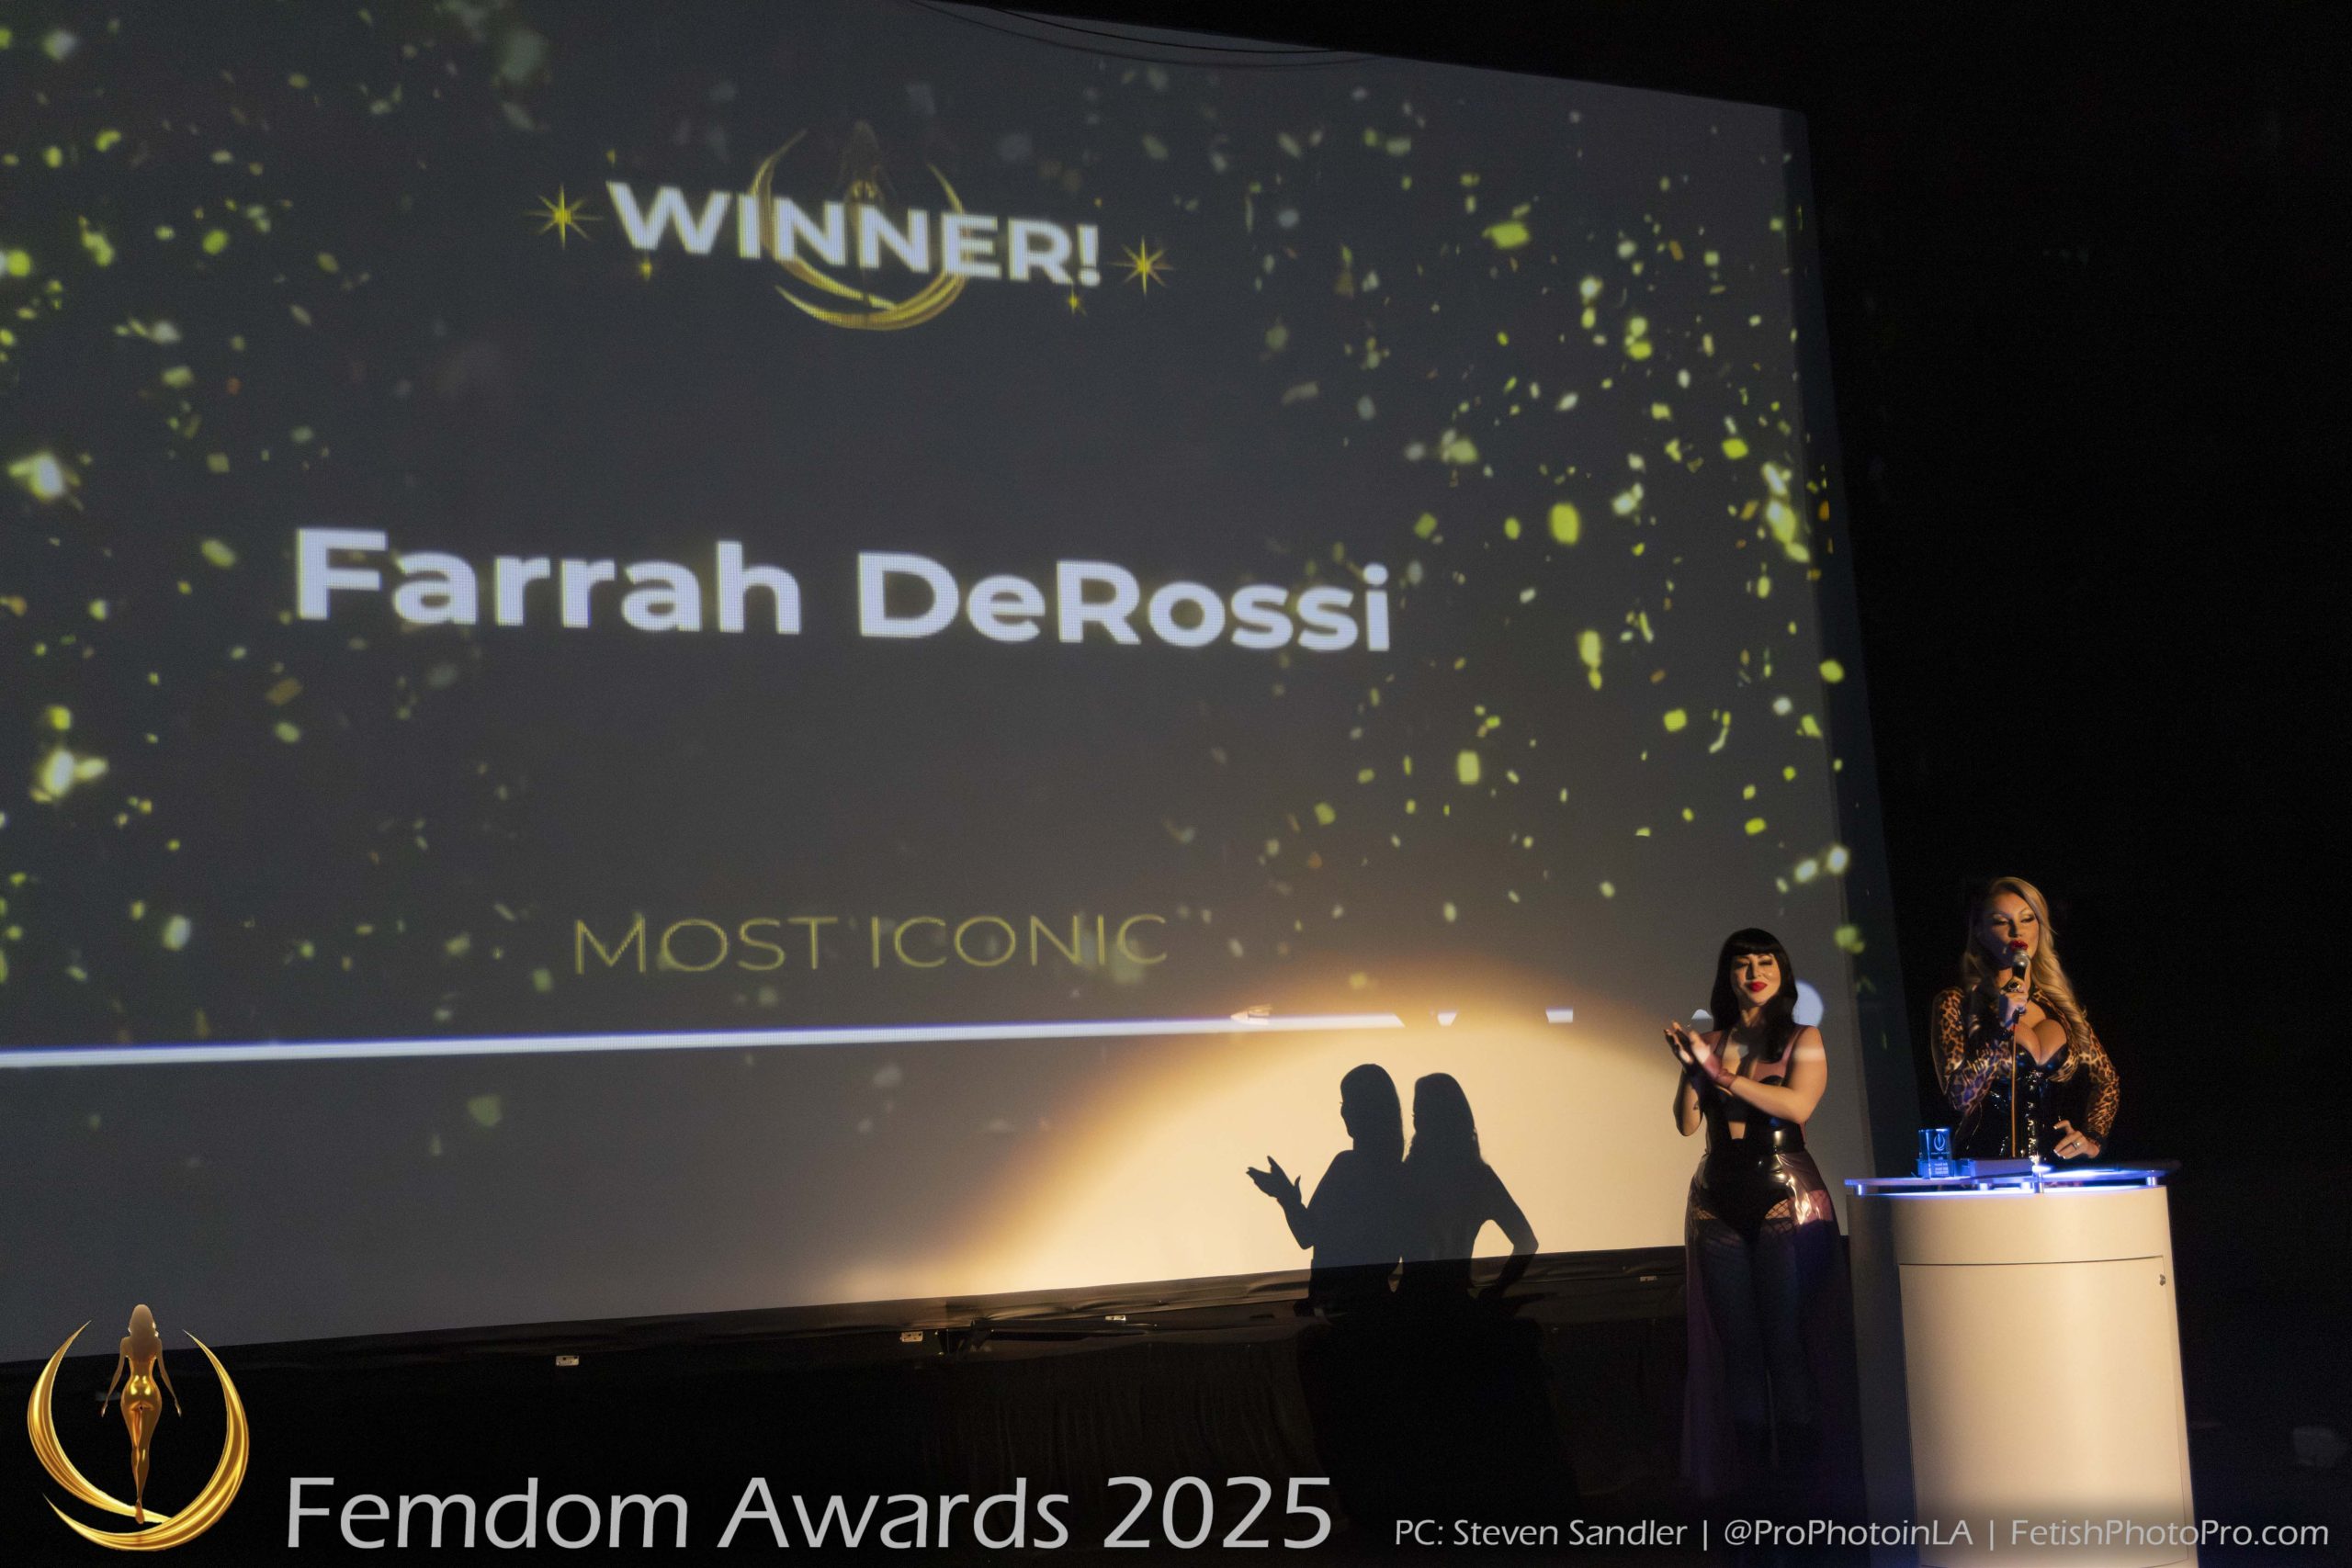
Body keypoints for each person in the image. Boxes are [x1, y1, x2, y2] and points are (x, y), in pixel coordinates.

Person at [1664, 929, 1848, 1506]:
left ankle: (1801, 1489)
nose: (1754, 973)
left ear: (1781, 971)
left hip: (1781, 1189)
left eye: (1765, 962)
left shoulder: (1802, 1038)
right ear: (1728, 977)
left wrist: (1721, 1076)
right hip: (1717, 1192)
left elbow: (1797, 1105)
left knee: (1786, 1341)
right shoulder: (1710, 1041)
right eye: (1742, 964)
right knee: (1738, 1346)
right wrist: (1693, 1069)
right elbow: (1686, 1125)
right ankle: (1753, 1492)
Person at [1933, 875, 2119, 1161]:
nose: (2016, 930)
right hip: (1986, 1163)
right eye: (2001, 921)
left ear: (2040, 926)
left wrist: (2093, 1138)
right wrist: (2001, 1028)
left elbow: (2107, 1079)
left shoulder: (2060, 1008)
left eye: (2027, 919)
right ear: (1980, 932)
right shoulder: (1958, 1003)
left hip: (2055, 1166)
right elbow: (1960, 1098)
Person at [1247, 1063, 1408, 1310]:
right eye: (1343, 1104)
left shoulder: (1348, 1166)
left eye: (1349, 1103)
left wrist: (1286, 1196)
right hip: (1376, 1303)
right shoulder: (1401, 1175)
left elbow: (1307, 1235)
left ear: (1368, 1111)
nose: (1343, 1112)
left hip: (1336, 1307)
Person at [98, 1304, 181, 1526]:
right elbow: (163, 1372)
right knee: (145, 1447)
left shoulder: (126, 1342)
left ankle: (137, 1497)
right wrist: (174, 1397)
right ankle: (140, 1498)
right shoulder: (156, 1342)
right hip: (151, 1392)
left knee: (134, 1447)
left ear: (133, 1322)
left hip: (132, 1390)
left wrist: (107, 1399)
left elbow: (119, 1371)